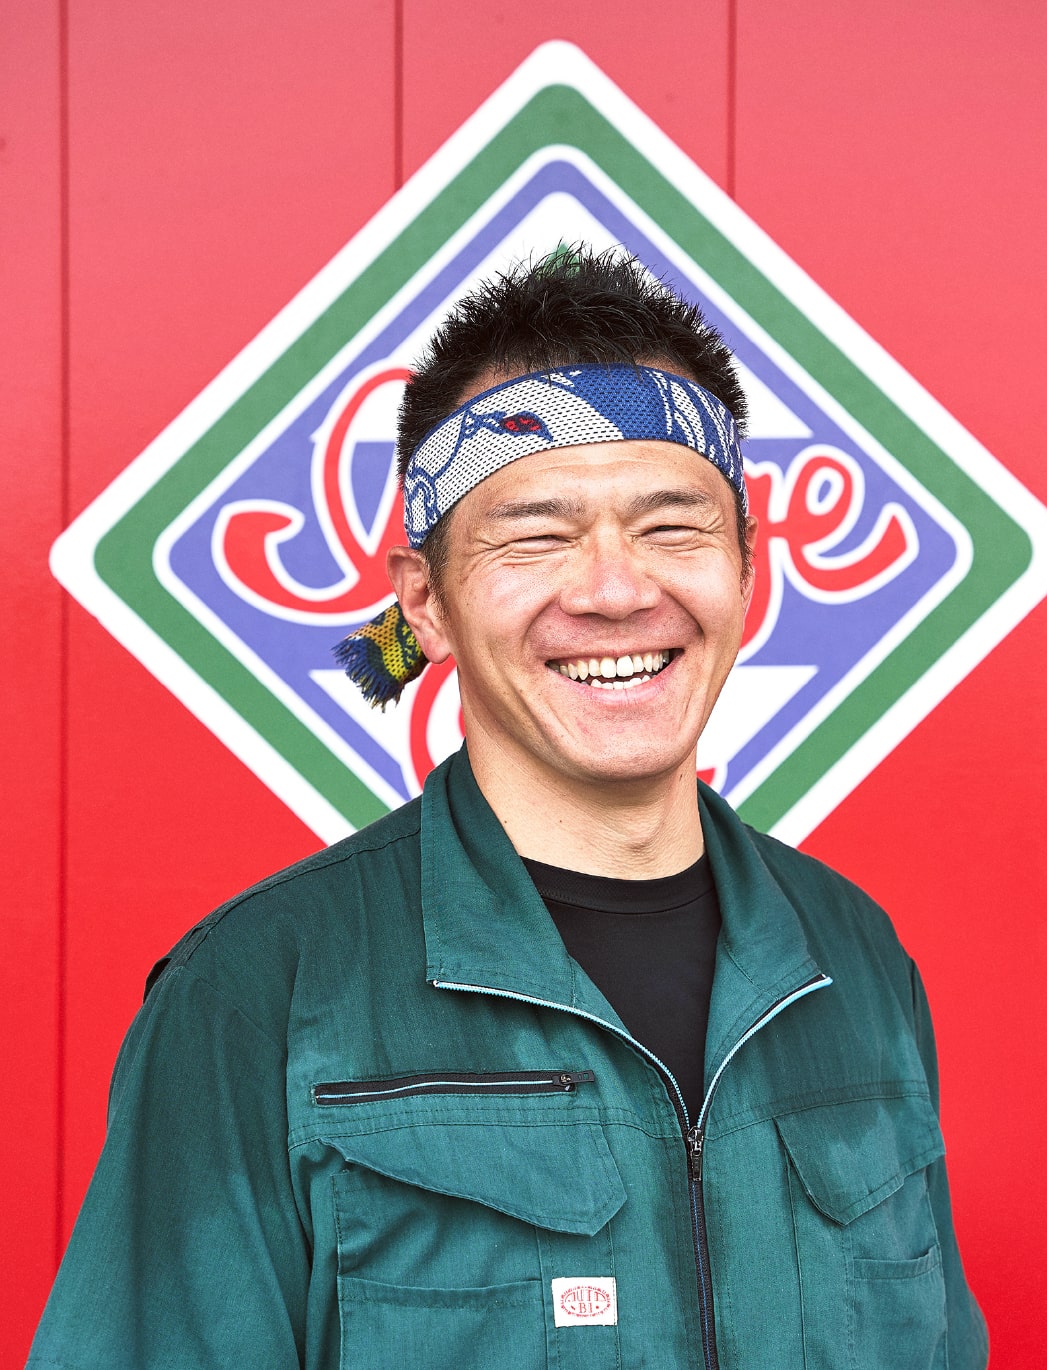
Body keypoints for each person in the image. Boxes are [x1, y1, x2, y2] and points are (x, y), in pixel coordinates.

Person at [28, 249, 988, 1368]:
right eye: (537, 535)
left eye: (672, 527)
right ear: (425, 603)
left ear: (746, 567)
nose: (617, 589)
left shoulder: (855, 957)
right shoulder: (259, 994)